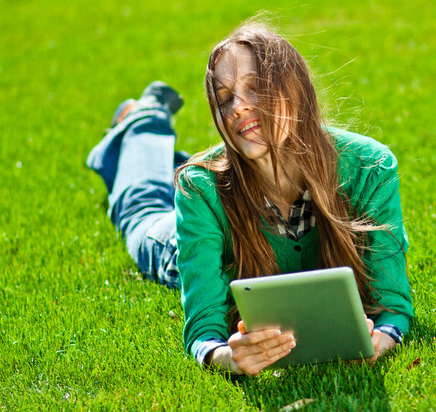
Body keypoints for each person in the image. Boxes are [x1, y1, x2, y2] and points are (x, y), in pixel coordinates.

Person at [87, 22, 413, 376]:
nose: (237, 108)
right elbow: (204, 330)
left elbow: (393, 305)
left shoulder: (369, 166)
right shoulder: (199, 189)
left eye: (255, 88)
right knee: (141, 204)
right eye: (225, 99)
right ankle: (144, 118)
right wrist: (229, 357)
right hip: (175, 247)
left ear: (296, 90)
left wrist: (380, 340)